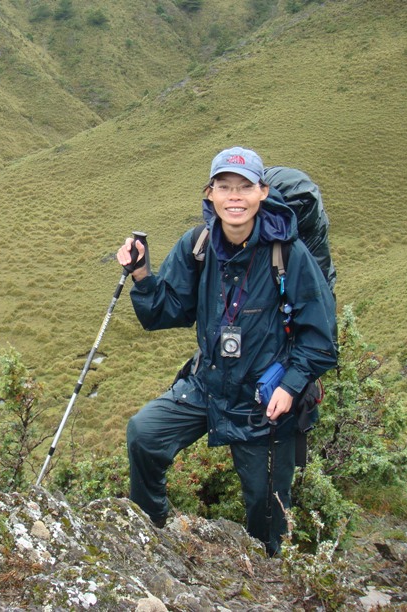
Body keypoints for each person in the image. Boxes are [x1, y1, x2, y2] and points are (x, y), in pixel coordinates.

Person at [116, 146, 337, 556]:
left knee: (267, 510)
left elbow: (321, 338)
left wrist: (290, 386)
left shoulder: (289, 253)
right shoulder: (197, 245)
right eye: (224, 187)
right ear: (210, 194)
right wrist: (143, 274)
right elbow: (169, 311)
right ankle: (150, 531)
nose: (234, 197)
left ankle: (271, 578)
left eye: (244, 187)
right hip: (208, 385)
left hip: (264, 401)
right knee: (145, 434)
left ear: (262, 193)